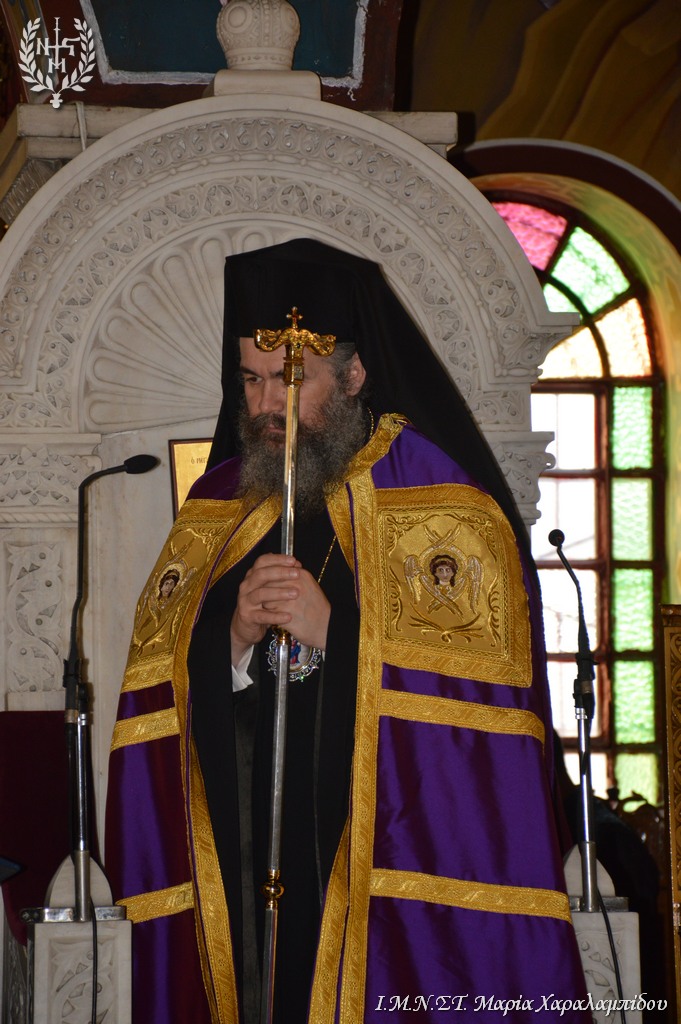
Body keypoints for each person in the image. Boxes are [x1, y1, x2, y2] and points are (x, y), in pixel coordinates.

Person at [105, 238, 591, 1023]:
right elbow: (159, 685)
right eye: (251, 380)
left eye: (289, 380)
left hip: (371, 842)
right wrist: (229, 639)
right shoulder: (219, 502)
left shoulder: (440, 501)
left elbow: (478, 716)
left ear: (354, 375)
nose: (265, 404)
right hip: (246, 836)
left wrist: (336, 631)